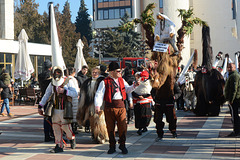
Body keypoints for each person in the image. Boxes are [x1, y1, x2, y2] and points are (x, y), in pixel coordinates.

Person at [94, 62, 139, 154]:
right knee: (110, 128)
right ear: (112, 72)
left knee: (123, 127)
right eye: (118, 71)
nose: (120, 72)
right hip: (109, 108)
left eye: (120, 71)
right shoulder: (104, 82)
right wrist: (97, 106)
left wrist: (134, 86)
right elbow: (99, 94)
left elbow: (128, 89)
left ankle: (122, 145)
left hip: (121, 107)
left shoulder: (122, 80)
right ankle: (112, 146)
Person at [38, 66, 78, 153]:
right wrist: (40, 105)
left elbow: (75, 94)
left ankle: (72, 138)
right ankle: (59, 145)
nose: (56, 75)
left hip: (65, 108)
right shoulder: (52, 83)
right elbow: (47, 94)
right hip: (55, 108)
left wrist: (65, 91)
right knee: (55, 127)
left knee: (66, 127)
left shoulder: (68, 81)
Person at [76, 67, 106, 143]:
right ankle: (94, 135)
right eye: (93, 72)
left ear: (99, 73)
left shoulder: (102, 81)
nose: (94, 73)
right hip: (90, 105)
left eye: (96, 72)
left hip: (101, 105)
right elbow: (83, 94)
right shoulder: (87, 82)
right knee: (93, 121)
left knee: (100, 121)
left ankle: (102, 135)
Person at [132, 70, 154, 135]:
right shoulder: (136, 83)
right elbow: (133, 91)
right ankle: (140, 128)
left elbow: (150, 92)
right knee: (139, 115)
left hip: (146, 101)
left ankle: (144, 126)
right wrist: (138, 96)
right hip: (138, 102)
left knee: (146, 116)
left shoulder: (149, 83)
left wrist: (144, 96)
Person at [38, 59, 54, 142]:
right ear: (50, 68)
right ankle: (51, 133)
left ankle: (47, 134)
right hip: (50, 98)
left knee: (46, 117)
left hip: (43, 96)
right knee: (52, 117)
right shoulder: (51, 76)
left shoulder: (40, 75)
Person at [224, 63, 240, 137]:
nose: (229, 68)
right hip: (234, 99)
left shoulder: (234, 76)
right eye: (228, 67)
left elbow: (234, 89)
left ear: (235, 67)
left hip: (235, 100)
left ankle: (236, 131)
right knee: (235, 116)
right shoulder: (231, 75)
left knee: (235, 116)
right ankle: (236, 130)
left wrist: (231, 100)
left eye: (231, 67)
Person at [67, 67, 80, 134]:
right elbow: (76, 90)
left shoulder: (66, 79)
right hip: (74, 98)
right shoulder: (73, 80)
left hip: (69, 98)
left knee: (70, 113)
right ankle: (73, 128)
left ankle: (71, 128)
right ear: (74, 73)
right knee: (74, 114)